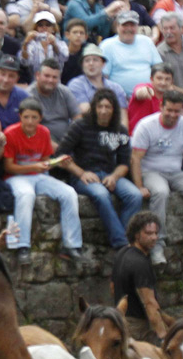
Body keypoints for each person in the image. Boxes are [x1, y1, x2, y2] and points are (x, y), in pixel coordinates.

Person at [130, 89, 183, 266]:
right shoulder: (146, 125)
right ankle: (156, 247)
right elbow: (135, 158)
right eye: (169, 110)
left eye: (177, 111)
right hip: (151, 171)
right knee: (161, 192)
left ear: (182, 110)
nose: (172, 114)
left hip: (176, 172)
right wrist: (139, 186)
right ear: (161, 106)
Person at [2, 97, 83, 264]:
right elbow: (8, 167)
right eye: (26, 117)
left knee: (69, 193)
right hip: (16, 177)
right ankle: (22, 245)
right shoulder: (10, 133)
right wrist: (35, 167)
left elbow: (45, 161)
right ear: (21, 117)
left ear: (40, 118)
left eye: (34, 117)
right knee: (26, 195)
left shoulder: (44, 132)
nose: (30, 121)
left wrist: (57, 163)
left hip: (38, 175)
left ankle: (72, 244)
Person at [57, 88, 139, 247]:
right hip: (83, 175)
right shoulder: (80, 125)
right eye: (100, 106)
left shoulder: (120, 130)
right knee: (101, 195)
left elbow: (124, 164)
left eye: (108, 107)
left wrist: (114, 176)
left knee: (134, 195)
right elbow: (61, 155)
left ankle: (121, 236)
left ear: (114, 109)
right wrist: (81, 173)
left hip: (109, 173)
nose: (103, 111)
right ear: (94, 107)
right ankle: (122, 243)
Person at [111, 210, 169, 343]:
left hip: (120, 320)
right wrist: (162, 336)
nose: (154, 237)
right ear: (136, 235)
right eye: (148, 233)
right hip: (138, 327)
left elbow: (113, 287)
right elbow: (149, 303)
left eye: (155, 233)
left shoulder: (122, 253)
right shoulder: (140, 263)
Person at [100, 10, 162, 95]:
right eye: (125, 25)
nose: (129, 29)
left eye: (132, 25)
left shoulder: (147, 41)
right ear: (117, 26)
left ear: (137, 26)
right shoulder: (107, 45)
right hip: (120, 99)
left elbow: (159, 69)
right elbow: (103, 77)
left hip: (149, 96)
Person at [27, 57, 79, 143]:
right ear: (37, 75)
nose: (50, 80)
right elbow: (31, 127)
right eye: (47, 76)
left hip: (67, 138)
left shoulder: (64, 91)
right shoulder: (29, 95)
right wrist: (59, 149)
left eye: (55, 77)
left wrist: (74, 136)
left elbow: (77, 116)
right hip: (42, 141)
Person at [68, 44, 128, 118]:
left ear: (103, 64)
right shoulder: (76, 85)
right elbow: (84, 110)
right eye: (87, 60)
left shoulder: (116, 87)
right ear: (82, 65)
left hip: (113, 127)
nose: (91, 63)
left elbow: (123, 116)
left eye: (95, 60)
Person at [0, 54, 30, 128]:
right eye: (3, 74)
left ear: (17, 79)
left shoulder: (25, 98)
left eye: (11, 76)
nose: (6, 80)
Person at [128, 62, 174, 133]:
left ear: (172, 81)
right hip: (136, 135)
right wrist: (144, 91)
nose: (163, 82)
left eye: (167, 79)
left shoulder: (171, 97)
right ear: (151, 79)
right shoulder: (143, 87)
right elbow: (139, 92)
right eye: (159, 78)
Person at [20, 11, 68, 75]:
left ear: (53, 28)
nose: (44, 27)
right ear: (36, 28)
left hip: (55, 81)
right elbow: (25, 62)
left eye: (48, 25)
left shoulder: (61, 43)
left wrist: (54, 45)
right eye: (40, 25)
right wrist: (25, 43)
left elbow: (64, 57)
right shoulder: (32, 44)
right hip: (35, 81)